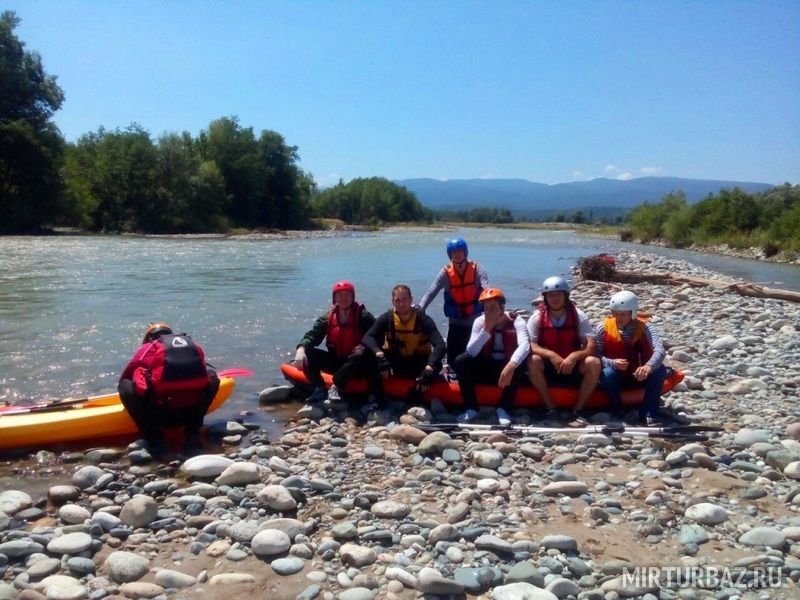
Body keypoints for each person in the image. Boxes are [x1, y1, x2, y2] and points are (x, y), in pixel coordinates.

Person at [118, 323, 219, 456]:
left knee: (124, 384)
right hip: (191, 414)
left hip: (161, 417)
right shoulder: (192, 345)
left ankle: (155, 440)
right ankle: (192, 435)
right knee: (212, 376)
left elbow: (127, 375)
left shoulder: (149, 347)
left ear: (149, 337)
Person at [526, 276, 601, 424]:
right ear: (545, 298)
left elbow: (591, 346)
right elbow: (530, 346)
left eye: (558, 295)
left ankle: (578, 410)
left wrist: (573, 357)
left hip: (572, 367)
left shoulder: (578, 315)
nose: (555, 299)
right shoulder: (537, 317)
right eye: (551, 295)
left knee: (594, 362)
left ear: (566, 296)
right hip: (549, 367)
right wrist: (551, 355)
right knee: (533, 360)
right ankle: (550, 407)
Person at [453, 287, 530, 425]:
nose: (490, 311)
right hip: (487, 366)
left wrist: (511, 365)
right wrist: (487, 328)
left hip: (507, 369)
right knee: (461, 361)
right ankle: (471, 407)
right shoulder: (479, 322)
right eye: (486, 308)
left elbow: (525, 346)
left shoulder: (517, 321)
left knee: (520, 363)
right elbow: (470, 351)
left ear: (502, 306)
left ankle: (504, 408)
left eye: (493, 307)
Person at [361, 284, 447, 408]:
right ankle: (380, 397)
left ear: (411, 300)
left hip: (418, 363)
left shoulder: (423, 319)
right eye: (397, 300)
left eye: (404, 299)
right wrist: (379, 355)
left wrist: (429, 367)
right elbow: (368, 337)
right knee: (367, 355)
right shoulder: (387, 318)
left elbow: (440, 345)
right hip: (397, 362)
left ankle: (414, 396)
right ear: (393, 302)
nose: (401, 304)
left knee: (437, 365)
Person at [294, 280, 376, 403]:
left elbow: (375, 337)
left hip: (357, 366)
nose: (343, 298)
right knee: (308, 352)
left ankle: (336, 385)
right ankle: (320, 388)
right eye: (340, 295)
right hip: (336, 362)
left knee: (361, 352)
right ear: (334, 298)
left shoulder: (364, 316)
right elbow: (312, 336)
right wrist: (301, 349)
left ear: (353, 297)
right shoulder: (327, 318)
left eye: (347, 295)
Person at [595, 290, 668, 426]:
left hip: (639, 375)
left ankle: (649, 414)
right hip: (616, 377)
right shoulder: (602, 328)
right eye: (616, 313)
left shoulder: (645, 327)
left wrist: (648, 366)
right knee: (607, 373)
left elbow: (660, 350)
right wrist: (612, 363)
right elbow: (595, 355)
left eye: (623, 314)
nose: (619, 317)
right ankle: (617, 411)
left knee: (660, 369)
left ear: (633, 313)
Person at [419, 238, 489, 371]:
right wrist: (420, 309)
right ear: (450, 254)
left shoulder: (477, 269)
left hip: (475, 322)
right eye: (454, 252)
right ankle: (452, 372)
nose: (457, 254)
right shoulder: (445, 273)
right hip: (455, 322)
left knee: (474, 355)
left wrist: (494, 308)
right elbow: (431, 292)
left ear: (465, 252)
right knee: (452, 357)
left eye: (460, 251)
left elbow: (487, 290)